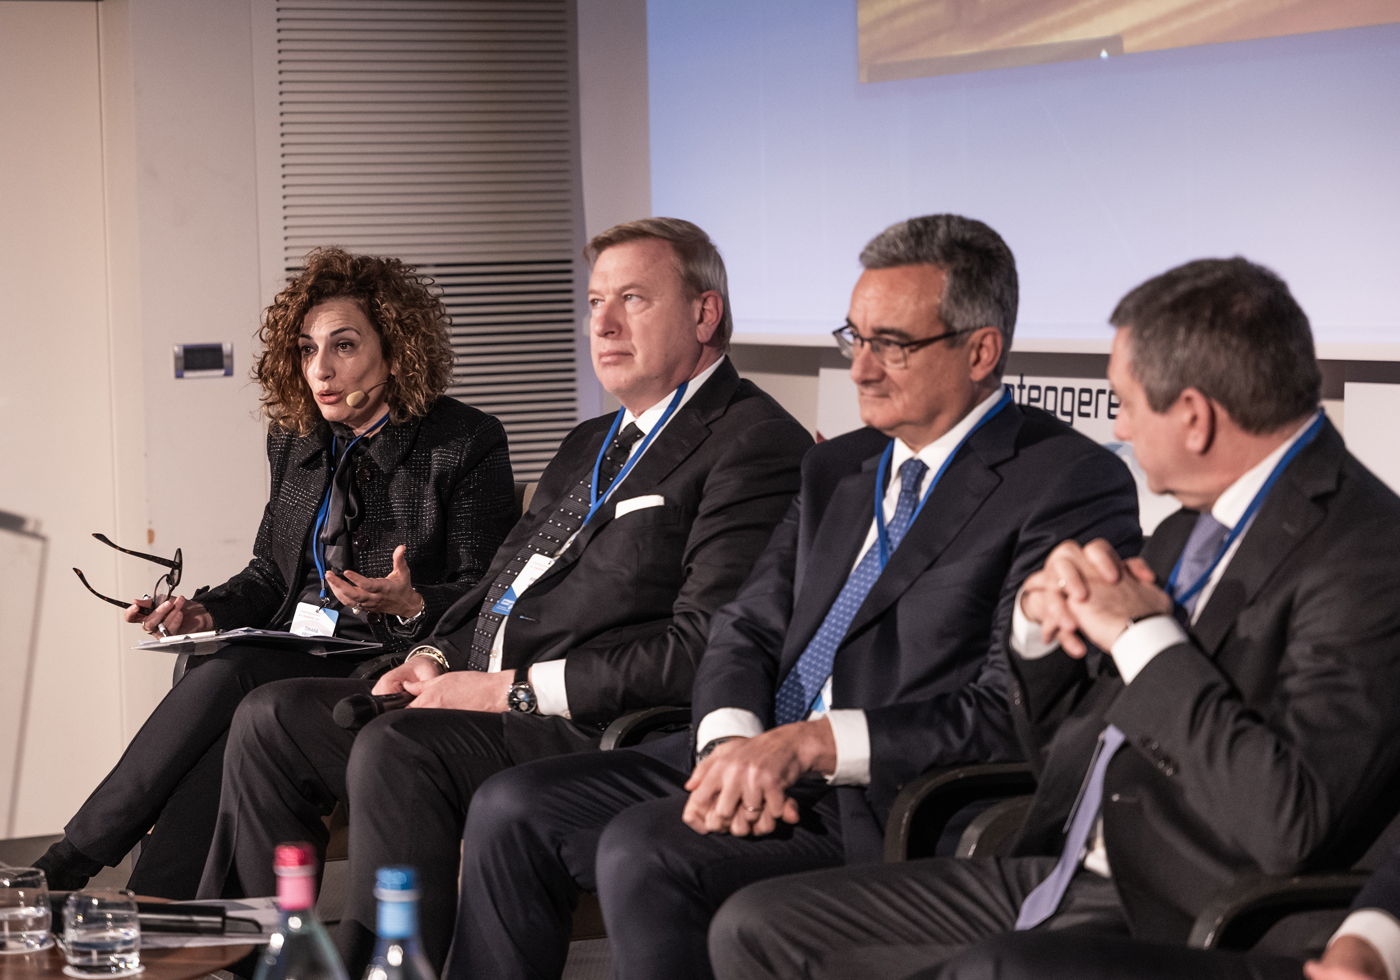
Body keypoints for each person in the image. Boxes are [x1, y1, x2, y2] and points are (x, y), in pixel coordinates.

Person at [446, 213, 1144, 980]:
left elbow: (1007, 706)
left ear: (980, 350)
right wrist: (729, 740)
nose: (861, 369)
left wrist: (812, 744)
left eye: (892, 345)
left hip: (885, 789)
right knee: (512, 808)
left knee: (645, 849)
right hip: (754, 746)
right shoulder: (838, 466)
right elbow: (745, 627)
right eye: (856, 338)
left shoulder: (1066, 481)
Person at [706, 257, 1400, 980]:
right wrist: (1039, 629)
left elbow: (1287, 818)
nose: (1118, 425)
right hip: (1061, 863)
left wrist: (1141, 636)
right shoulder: (1187, 529)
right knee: (756, 928)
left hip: (1188, 907)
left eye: (1125, 403)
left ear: (1194, 418)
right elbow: (1062, 747)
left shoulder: (1366, 556)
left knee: (1000, 969)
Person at [194, 216, 815, 974]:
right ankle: (259, 962)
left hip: (585, 721)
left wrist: (505, 690)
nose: (604, 324)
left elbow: (701, 647)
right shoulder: (590, 440)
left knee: (399, 747)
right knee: (271, 719)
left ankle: (383, 965)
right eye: (595, 302)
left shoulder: (753, 442)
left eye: (633, 300)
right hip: (483, 696)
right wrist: (431, 657)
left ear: (704, 313)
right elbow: (498, 589)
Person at [33, 247, 518, 899]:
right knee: (219, 675)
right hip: (299, 646)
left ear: (397, 352)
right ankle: (159, 909)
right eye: (306, 349)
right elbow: (269, 573)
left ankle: (75, 864)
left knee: (227, 675)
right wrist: (202, 611)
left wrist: (410, 602)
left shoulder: (464, 441)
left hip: (392, 657)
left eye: (343, 346)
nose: (320, 370)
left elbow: (487, 595)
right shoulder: (295, 437)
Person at [925, 840, 1400, 980]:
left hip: (1197, 894)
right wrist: (1370, 945)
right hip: (1076, 865)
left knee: (1004, 970)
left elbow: (1287, 823)